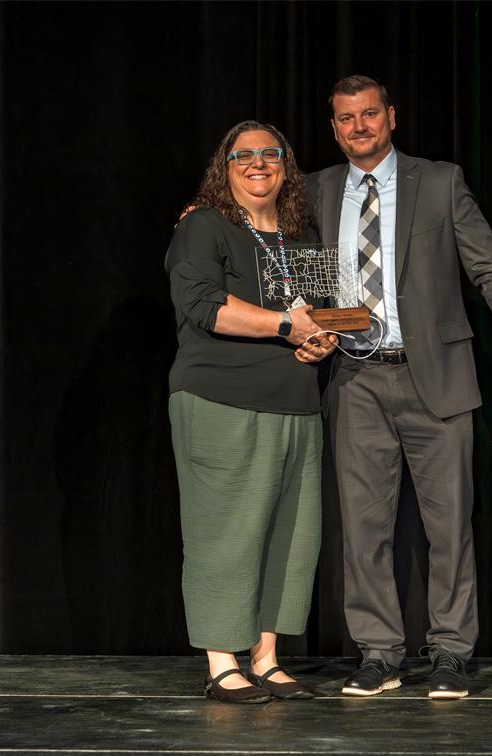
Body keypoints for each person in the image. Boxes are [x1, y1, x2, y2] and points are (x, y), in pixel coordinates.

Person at [307, 76, 492, 700]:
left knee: (449, 527)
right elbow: (267, 241)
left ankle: (449, 653)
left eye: (369, 115)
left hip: (436, 378)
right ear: (333, 127)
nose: (359, 127)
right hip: (356, 376)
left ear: (391, 116)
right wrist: (201, 210)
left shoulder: (439, 182)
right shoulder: (317, 189)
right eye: (346, 119)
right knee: (364, 528)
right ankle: (379, 654)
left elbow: (489, 268)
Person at [165, 120, 338, 703]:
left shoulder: (303, 233)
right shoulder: (204, 226)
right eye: (244, 156)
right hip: (221, 399)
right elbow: (203, 306)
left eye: (270, 153)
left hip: (296, 403)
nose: (257, 163)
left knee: (290, 536)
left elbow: (315, 313)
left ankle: (265, 658)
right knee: (226, 535)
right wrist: (289, 326)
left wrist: (318, 339)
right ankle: (221, 662)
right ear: (226, 166)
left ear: (287, 165)